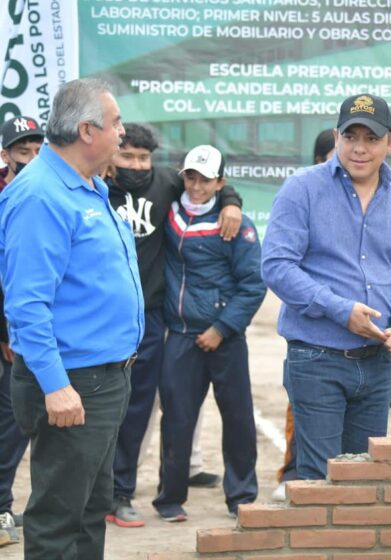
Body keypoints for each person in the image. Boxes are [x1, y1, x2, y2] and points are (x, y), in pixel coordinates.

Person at [0, 78, 144, 559]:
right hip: (72, 384)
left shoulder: (87, 186)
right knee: (59, 521)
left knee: (89, 510)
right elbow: (26, 304)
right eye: (116, 122)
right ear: (87, 130)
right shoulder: (40, 196)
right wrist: (55, 384)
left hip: (104, 379)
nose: (122, 133)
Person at [262, 93, 391, 480]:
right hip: (316, 358)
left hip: (376, 365)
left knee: (363, 480)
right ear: (336, 137)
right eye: (350, 136)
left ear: (390, 142)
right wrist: (340, 309)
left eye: (371, 138)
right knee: (319, 480)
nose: (359, 148)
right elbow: (276, 266)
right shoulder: (301, 188)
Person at [104, 123, 243, 527]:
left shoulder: (165, 182)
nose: (136, 165)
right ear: (112, 156)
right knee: (94, 408)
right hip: (99, 317)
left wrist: (232, 201)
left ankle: (120, 493)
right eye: (127, 156)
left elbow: (212, 186)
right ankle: (91, 493)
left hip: (148, 317)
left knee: (138, 408)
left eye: (143, 158)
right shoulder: (94, 186)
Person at [153, 145, 264, 521]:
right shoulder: (168, 212)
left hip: (225, 338)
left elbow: (254, 286)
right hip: (182, 335)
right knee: (177, 419)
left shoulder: (237, 224)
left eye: (206, 179)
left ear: (221, 181)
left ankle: (242, 496)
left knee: (237, 419)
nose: (197, 186)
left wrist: (221, 328)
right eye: (191, 177)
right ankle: (169, 499)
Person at [272, 128, 336, 502]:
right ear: (319, 160)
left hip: (358, 338)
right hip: (311, 331)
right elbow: (281, 266)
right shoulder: (304, 194)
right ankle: (290, 470)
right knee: (301, 411)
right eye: (333, 155)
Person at [0, 115, 44, 535]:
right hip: (9, 336)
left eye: (36, 150)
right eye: (21, 151)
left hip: (26, 334)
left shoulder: (48, 191)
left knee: (18, 424)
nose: (30, 158)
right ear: (5, 154)